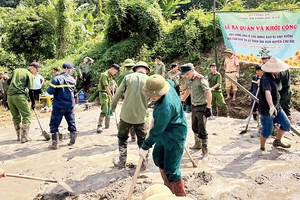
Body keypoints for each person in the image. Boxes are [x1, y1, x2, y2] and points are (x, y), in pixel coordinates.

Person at [139, 75, 187, 196]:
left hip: (174, 134)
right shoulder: (167, 84)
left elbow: (156, 131)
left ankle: (180, 195)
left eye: (154, 96)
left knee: (171, 169)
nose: (152, 98)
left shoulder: (165, 108)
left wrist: (145, 146)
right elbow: (170, 80)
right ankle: (167, 187)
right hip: (164, 132)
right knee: (158, 158)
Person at [111, 61, 150, 169]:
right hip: (141, 116)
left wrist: (113, 106)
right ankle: (144, 163)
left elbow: (118, 94)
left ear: (135, 69)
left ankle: (122, 162)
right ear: (146, 70)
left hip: (126, 116)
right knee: (142, 140)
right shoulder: (149, 80)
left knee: (122, 137)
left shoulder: (128, 78)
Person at [259, 57, 291, 152]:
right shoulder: (265, 78)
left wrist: (275, 106)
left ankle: (277, 141)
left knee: (286, 124)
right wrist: (271, 106)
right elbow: (267, 92)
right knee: (267, 130)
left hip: (277, 107)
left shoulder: (276, 76)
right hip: (267, 109)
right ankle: (262, 148)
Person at [180, 63, 212, 156]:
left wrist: (209, 107)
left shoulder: (200, 78)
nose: (186, 76)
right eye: (185, 74)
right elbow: (188, 90)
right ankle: (198, 144)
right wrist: (182, 100)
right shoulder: (189, 79)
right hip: (194, 106)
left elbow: (208, 92)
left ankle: (205, 149)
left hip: (202, 106)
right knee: (194, 126)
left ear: (192, 70)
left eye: (187, 74)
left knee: (202, 127)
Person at [47, 62, 77, 150]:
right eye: (71, 69)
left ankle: (55, 144)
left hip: (59, 105)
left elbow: (50, 91)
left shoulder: (56, 79)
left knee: (54, 124)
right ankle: (72, 141)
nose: (71, 71)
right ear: (67, 68)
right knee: (71, 122)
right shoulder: (72, 80)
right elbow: (73, 91)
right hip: (70, 105)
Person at [7, 62, 37, 143]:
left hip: (9, 96)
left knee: (16, 116)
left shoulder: (16, 70)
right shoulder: (29, 75)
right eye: (36, 71)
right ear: (33, 68)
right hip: (19, 96)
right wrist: (33, 103)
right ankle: (24, 137)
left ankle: (18, 136)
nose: (36, 73)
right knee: (27, 115)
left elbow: (9, 82)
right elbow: (31, 91)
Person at [97, 64, 120, 133]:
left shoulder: (111, 76)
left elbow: (113, 84)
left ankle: (107, 125)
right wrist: (111, 95)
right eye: (115, 72)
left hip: (109, 94)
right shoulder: (105, 75)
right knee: (105, 109)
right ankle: (99, 126)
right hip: (104, 94)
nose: (115, 73)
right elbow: (106, 87)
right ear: (112, 69)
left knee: (110, 109)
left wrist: (114, 87)